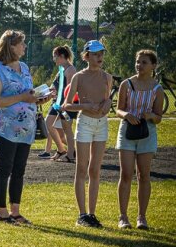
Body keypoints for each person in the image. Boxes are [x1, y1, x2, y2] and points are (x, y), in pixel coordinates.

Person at [0, 30, 45, 225]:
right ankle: (2, 212)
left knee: (20, 169)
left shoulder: (25, 67)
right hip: (6, 127)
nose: (24, 46)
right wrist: (23, 97)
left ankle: (15, 212)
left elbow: (29, 93)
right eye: (21, 43)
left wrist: (40, 98)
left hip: (26, 128)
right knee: (5, 168)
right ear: (11, 46)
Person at [62, 40, 113, 228]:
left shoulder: (107, 77)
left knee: (95, 170)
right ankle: (82, 215)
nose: (99, 57)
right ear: (86, 56)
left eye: (101, 53)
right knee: (81, 169)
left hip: (102, 124)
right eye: (95, 54)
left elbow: (107, 103)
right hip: (84, 123)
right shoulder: (78, 77)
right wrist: (86, 106)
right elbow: (66, 105)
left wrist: (107, 105)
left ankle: (92, 213)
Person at [115, 49, 164, 230]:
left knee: (144, 175)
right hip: (127, 131)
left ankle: (141, 217)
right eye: (137, 61)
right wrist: (126, 114)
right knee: (126, 174)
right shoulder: (126, 84)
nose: (139, 65)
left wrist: (151, 115)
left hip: (147, 134)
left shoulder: (157, 89)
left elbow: (159, 117)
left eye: (144, 62)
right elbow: (118, 110)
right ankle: (123, 217)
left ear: (153, 66)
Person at [40, 46, 77, 162]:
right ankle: (61, 150)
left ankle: (71, 155)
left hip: (66, 104)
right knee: (50, 124)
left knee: (67, 129)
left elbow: (72, 89)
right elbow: (56, 86)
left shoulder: (71, 70)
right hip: (57, 103)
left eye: (54, 57)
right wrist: (46, 92)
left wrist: (65, 105)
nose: (53, 59)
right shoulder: (61, 69)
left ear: (61, 56)